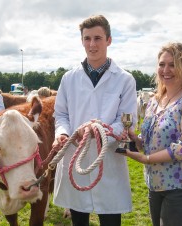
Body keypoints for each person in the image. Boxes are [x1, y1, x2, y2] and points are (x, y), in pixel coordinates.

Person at [52, 15, 137, 226]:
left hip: (107, 160)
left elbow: (126, 120)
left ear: (109, 40)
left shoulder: (125, 79)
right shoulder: (68, 78)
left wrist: (98, 130)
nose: (92, 44)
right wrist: (62, 133)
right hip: (75, 155)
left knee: (110, 220)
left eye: (98, 38)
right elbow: (61, 114)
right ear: (81, 40)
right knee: (78, 219)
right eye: (87, 38)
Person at [125, 42, 182, 226]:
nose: (166, 70)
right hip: (156, 184)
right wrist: (136, 139)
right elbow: (151, 139)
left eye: (172, 65)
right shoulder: (156, 100)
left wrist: (146, 159)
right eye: (162, 64)